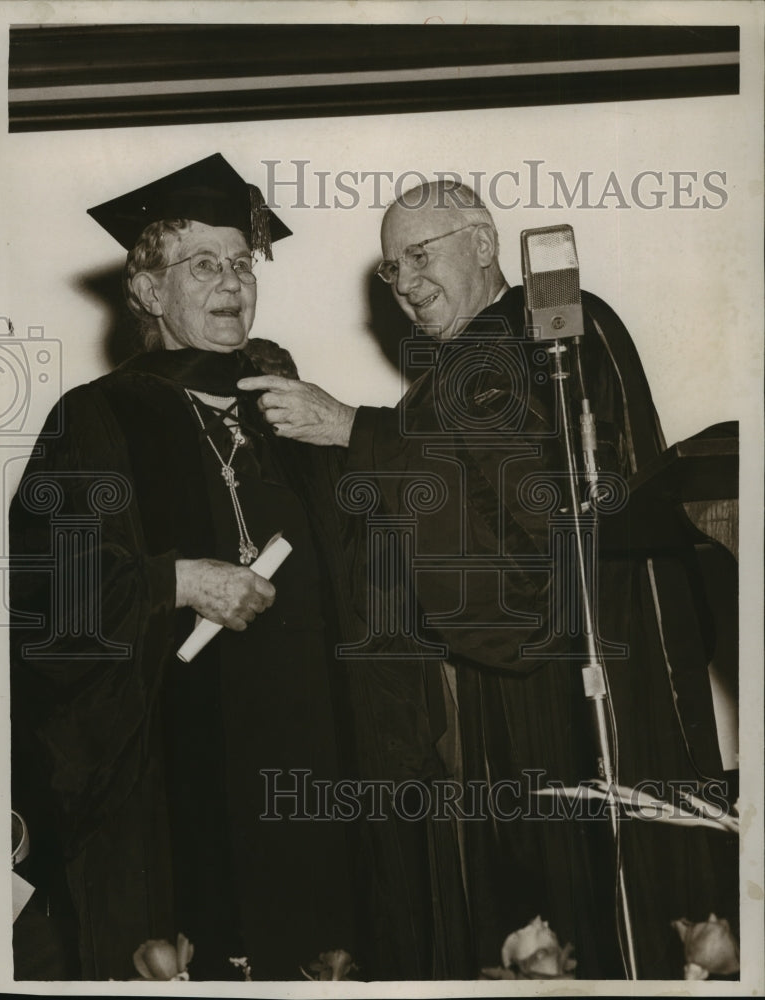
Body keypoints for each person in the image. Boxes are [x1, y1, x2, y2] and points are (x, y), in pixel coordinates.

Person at [238, 181, 739, 978]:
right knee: (542, 913)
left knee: (617, 906)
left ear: (481, 239)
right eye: (389, 268)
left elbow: (526, 487)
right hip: (522, 683)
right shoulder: (469, 362)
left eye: (419, 254)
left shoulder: (552, 333)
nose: (403, 282)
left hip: (589, 673)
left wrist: (351, 427)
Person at [9, 154, 356, 981]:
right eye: (203, 263)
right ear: (147, 291)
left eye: (241, 262)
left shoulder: (290, 405)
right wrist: (170, 581)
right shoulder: (94, 418)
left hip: (307, 754)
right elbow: (37, 583)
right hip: (171, 764)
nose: (232, 281)